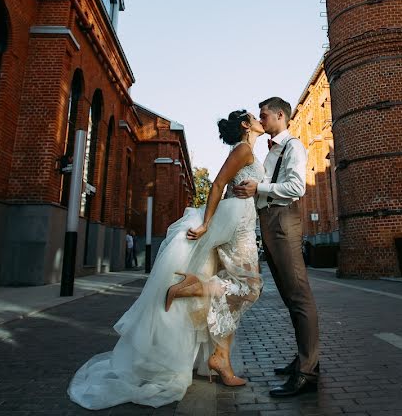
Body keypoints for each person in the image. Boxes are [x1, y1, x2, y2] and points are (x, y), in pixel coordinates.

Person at [68, 109, 266, 410]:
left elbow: (232, 187)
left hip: (242, 216)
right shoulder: (242, 149)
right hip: (236, 221)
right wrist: (206, 224)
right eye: (256, 116)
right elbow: (217, 184)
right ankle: (192, 287)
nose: (260, 120)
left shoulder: (248, 150)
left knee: (234, 294)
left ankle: (221, 359)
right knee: (250, 287)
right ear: (245, 124)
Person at [233, 96, 318, 397]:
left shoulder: (293, 146)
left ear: (280, 115)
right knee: (288, 295)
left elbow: (296, 187)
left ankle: (308, 373)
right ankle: (305, 358)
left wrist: (260, 189)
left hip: (283, 220)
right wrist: (248, 191)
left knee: (299, 295)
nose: (261, 119)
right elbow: (262, 187)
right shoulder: (271, 151)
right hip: (268, 221)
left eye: (264, 115)